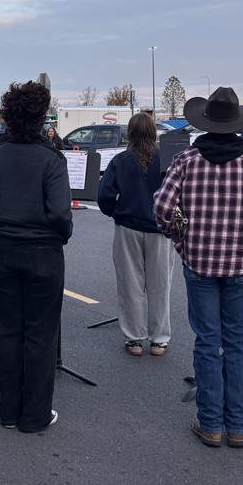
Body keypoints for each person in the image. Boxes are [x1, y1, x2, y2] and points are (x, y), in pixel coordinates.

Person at [155, 87, 243, 448]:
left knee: (207, 342)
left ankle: (210, 423)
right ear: (237, 125)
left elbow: (162, 210)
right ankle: (239, 424)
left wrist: (180, 239)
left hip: (199, 263)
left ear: (205, 123)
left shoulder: (185, 161)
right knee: (237, 343)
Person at [0, 81, 72, 432]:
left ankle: (9, 412)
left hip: (4, 252)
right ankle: (36, 416)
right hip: (45, 253)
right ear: (42, 116)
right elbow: (60, 212)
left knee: (8, 332)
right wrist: (62, 234)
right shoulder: (52, 158)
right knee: (41, 335)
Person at [97, 113, 175, 357]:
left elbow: (104, 196)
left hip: (128, 227)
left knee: (130, 284)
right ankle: (159, 339)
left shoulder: (120, 160)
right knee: (160, 284)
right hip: (161, 229)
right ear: (154, 132)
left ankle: (134, 339)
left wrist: (117, 212)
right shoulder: (167, 159)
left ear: (130, 133)